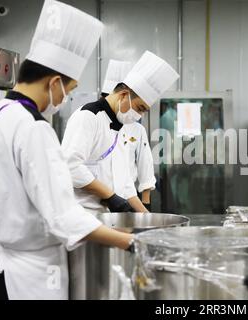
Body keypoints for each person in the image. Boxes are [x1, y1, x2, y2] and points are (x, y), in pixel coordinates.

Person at [0, 0, 133, 300]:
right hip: (33, 276)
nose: (66, 97)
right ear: (53, 83)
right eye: (70, 89)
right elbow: (63, 218)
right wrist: (129, 242)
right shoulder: (33, 127)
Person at [62, 51, 178, 216]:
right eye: (140, 108)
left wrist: (147, 218)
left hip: (109, 218)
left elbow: (125, 184)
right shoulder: (88, 116)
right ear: (124, 95)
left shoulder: (120, 126)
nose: (140, 115)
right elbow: (70, 167)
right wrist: (110, 196)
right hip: (82, 215)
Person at [101, 59, 156, 211]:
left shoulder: (136, 128)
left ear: (124, 96)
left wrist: (145, 205)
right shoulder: (95, 120)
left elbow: (145, 165)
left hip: (128, 199)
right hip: (101, 200)